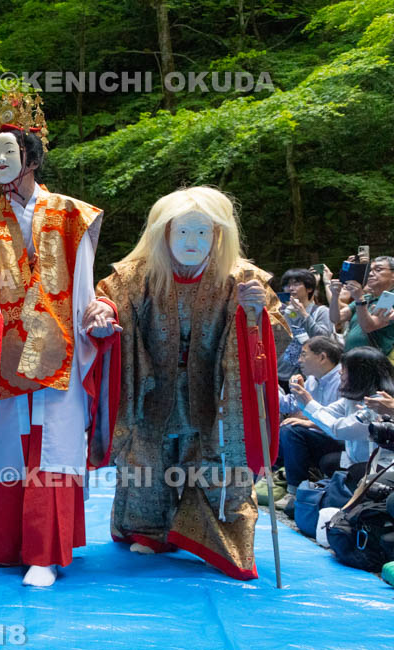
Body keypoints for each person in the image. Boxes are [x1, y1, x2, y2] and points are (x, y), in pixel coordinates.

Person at [0, 91, 115, 587]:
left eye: (10, 151)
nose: (1, 161)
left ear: (32, 155)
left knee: (53, 446)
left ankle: (45, 551)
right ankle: (7, 545)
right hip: (3, 353)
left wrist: (94, 317)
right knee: (8, 446)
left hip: (60, 351)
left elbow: (84, 284)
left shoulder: (73, 215)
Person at [88, 186, 291, 580]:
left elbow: (276, 337)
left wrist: (256, 313)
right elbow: (111, 298)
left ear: (219, 235)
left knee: (217, 461)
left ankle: (216, 532)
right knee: (147, 458)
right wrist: (103, 310)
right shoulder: (139, 276)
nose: (191, 242)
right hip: (153, 384)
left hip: (215, 389)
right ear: (163, 234)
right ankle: (148, 528)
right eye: (182, 232)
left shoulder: (243, 279)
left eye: (202, 232)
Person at [289, 346, 394, 473]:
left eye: (344, 370)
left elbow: (339, 430)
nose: (340, 373)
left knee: (354, 471)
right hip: (355, 458)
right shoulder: (353, 398)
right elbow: (325, 413)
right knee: (326, 461)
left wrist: (307, 401)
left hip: (380, 466)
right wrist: (302, 399)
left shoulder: (378, 404)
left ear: (359, 375)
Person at [276, 336, 344, 506]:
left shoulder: (342, 380)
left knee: (291, 431)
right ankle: (272, 477)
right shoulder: (313, 379)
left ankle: (295, 490)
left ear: (322, 357)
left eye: (304, 355)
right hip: (321, 435)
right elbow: (288, 405)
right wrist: (266, 383)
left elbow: (341, 422)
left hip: (342, 441)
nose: (299, 360)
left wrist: (310, 423)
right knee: (284, 427)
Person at [277, 268, 335, 390]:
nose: (291, 288)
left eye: (296, 284)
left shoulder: (321, 311)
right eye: (287, 285)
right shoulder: (281, 313)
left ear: (309, 288)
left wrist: (304, 314)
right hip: (280, 372)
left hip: (308, 376)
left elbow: (324, 339)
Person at [328, 255, 394, 354]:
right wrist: (335, 295)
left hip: (372, 361)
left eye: (378, 269)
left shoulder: (389, 298)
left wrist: (359, 299)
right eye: (370, 270)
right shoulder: (367, 298)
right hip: (353, 358)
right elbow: (336, 318)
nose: (371, 274)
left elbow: (368, 327)